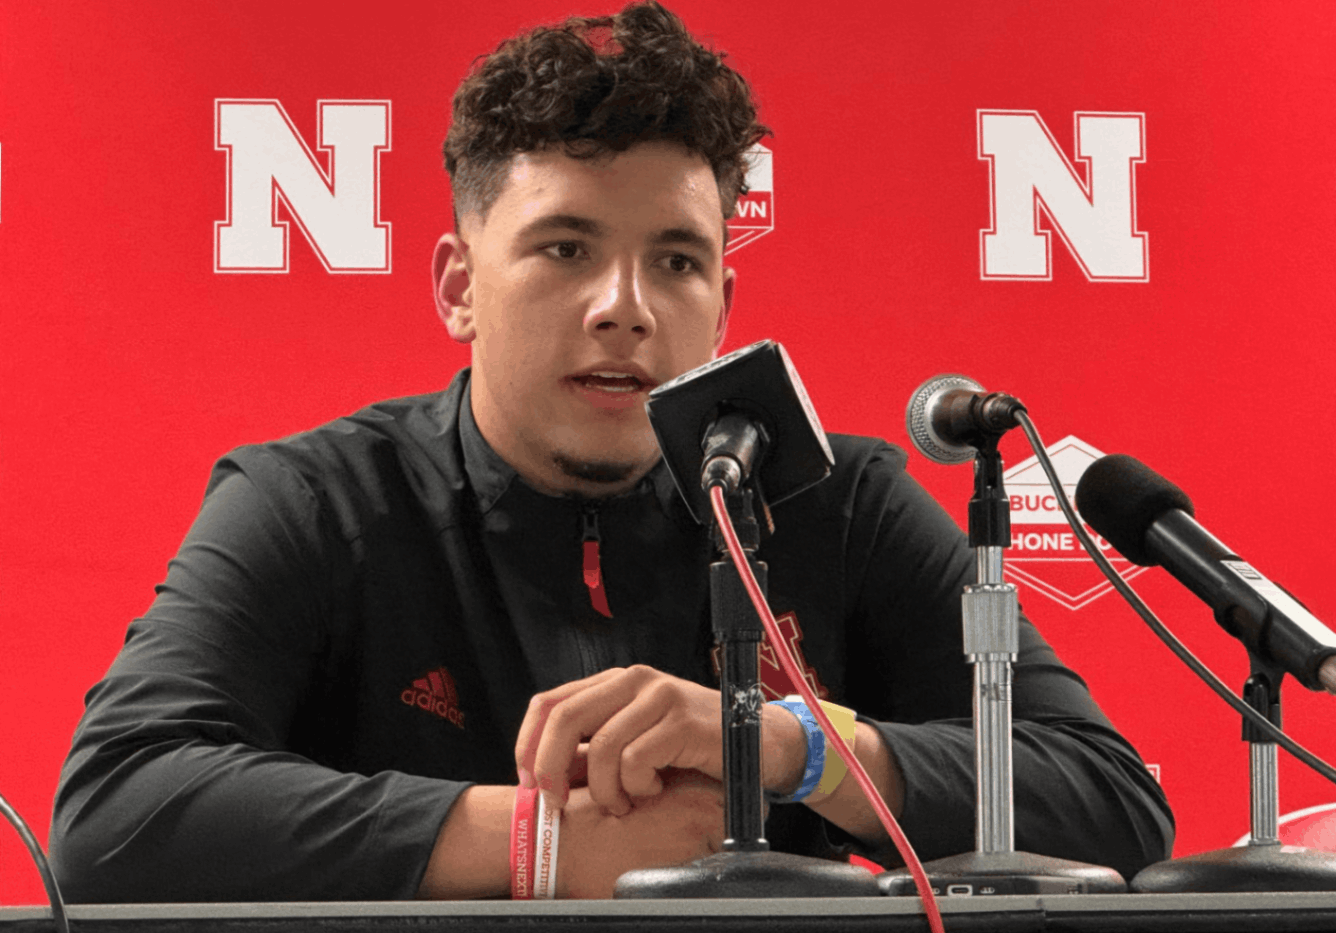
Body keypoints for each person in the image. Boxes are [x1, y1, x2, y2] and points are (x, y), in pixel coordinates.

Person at [49, 1, 1173, 902]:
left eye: (676, 262)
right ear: (459, 286)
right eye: (564, 248)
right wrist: (534, 843)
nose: (623, 307)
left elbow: (1113, 802)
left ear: (722, 307)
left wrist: (792, 744)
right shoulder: (317, 500)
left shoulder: (842, 501)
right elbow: (115, 812)